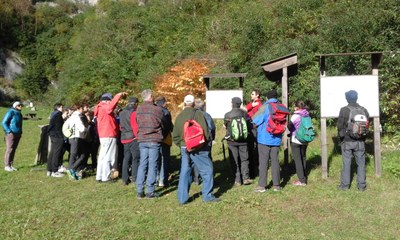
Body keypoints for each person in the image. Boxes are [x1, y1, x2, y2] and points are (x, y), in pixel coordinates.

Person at [172, 94, 220, 205]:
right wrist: (205, 144)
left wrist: (182, 145)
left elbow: (175, 135)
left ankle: (182, 198)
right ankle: (207, 196)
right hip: (198, 147)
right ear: (194, 103)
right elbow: (205, 132)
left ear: (184, 103)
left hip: (184, 147)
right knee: (207, 170)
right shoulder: (198, 114)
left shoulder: (179, 116)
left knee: (185, 171)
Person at [252, 89, 285, 192]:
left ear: (267, 97)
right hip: (276, 139)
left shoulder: (265, 107)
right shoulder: (280, 106)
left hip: (264, 139)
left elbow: (255, 120)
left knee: (263, 162)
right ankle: (276, 185)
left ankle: (262, 186)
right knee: (275, 161)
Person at [136, 89, 166, 198]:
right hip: (154, 139)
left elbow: (137, 121)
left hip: (142, 138)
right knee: (153, 165)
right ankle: (150, 190)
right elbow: (162, 123)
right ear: (151, 97)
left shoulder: (138, 109)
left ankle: (139, 190)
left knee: (143, 164)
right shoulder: (157, 109)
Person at [337, 90, 369, 191]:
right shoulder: (364, 110)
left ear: (347, 98)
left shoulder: (344, 110)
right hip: (360, 141)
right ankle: (361, 186)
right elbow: (367, 124)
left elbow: (340, 126)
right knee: (361, 163)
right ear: (357, 98)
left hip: (347, 141)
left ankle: (345, 186)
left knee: (346, 163)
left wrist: (342, 137)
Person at [94, 92, 127, 183]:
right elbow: (110, 107)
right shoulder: (105, 107)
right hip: (109, 134)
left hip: (103, 135)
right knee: (108, 157)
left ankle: (99, 176)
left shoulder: (99, 107)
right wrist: (119, 95)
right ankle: (106, 177)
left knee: (102, 157)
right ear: (108, 100)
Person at [224, 97, 252, 186]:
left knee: (234, 160)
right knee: (244, 159)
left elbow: (225, 126)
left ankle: (237, 180)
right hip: (243, 140)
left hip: (231, 141)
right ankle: (246, 178)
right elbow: (248, 125)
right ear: (240, 104)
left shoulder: (227, 115)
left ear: (232, 103)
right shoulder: (244, 114)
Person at [193, 98, 216, 185]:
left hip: (195, 140)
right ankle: (209, 177)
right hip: (206, 140)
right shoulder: (206, 115)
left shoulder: (193, 115)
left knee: (196, 158)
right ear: (203, 106)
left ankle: (196, 178)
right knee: (207, 158)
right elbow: (212, 127)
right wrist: (212, 138)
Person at [288, 100, 310, 186]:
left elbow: (289, 126)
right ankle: (304, 176)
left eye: (294, 106)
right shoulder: (307, 114)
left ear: (297, 107)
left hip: (296, 139)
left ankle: (301, 180)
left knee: (297, 160)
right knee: (303, 158)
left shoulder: (295, 115)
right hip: (305, 139)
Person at [119, 97, 140, 186]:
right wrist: (137, 136)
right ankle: (134, 177)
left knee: (126, 158)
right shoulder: (134, 112)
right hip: (133, 137)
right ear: (135, 104)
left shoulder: (121, 112)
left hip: (124, 137)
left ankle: (125, 178)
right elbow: (135, 126)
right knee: (135, 158)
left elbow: (120, 126)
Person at [66, 104, 88, 180]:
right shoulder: (76, 117)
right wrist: (86, 129)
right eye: (82, 108)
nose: (83, 110)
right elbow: (81, 128)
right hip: (76, 137)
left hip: (71, 137)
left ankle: (72, 170)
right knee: (79, 155)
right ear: (79, 108)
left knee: (75, 155)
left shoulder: (71, 116)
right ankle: (71, 169)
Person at [155, 96, 173, 187]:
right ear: (163, 103)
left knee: (156, 159)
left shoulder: (153, 110)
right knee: (165, 160)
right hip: (164, 138)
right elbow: (169, 126)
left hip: (154, 138)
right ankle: (163, 180)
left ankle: (156, 179)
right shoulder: (166, 112)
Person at [2, 101, 23, 172]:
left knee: (14, 149)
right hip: (11, 134)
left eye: (21, 105)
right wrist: (9, 131)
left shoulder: (19, 113)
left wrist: (20, 132)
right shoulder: (11, 112)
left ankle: (11, 165)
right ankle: (6, 166)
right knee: (9, 149)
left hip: (18, 134)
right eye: (19, 105)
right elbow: (4, 122)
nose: (20, 107)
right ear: (15, 106)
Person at [47, 103, 66, 177]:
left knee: (52, 152)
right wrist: (61, 137)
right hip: (57, 136)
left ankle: (49, 170)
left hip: (52, 135)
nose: (62, 108)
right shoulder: (58, 115)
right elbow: (58, 127)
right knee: (56, 153)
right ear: (59, 107)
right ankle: (54, 171)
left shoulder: (53, 114)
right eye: (62, 107)